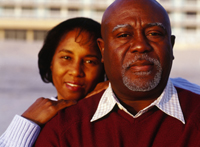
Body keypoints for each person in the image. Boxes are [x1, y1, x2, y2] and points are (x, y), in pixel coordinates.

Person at [35, 0, 200, 146]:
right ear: (103, 50)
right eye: (124, 35)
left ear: (171, 46)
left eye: (154, 34)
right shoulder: (63, 131)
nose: (140, 46)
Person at [0, 17, 105, 147]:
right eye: (66, 58)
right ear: (51, 62)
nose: (76, 71)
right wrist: (27, 122)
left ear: (104, 67)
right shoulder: (35, 116)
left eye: (90, 61)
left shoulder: (116, 116)